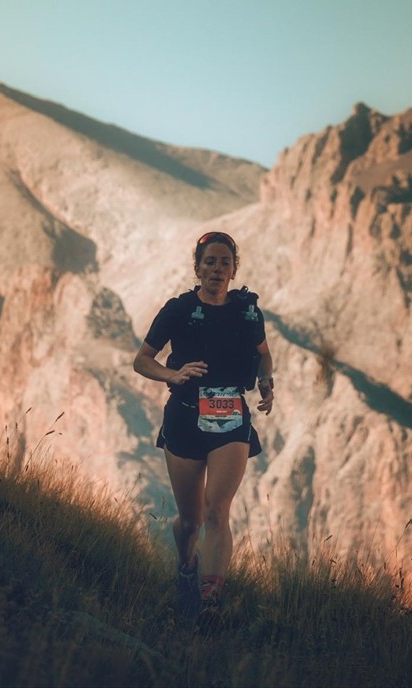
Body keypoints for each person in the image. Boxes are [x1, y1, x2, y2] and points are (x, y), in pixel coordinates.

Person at [133, 230, 275, 623]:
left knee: (218, 510)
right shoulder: (177, 310)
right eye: (209, 262)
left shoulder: (248, 312)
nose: (216, 268)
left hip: (231, 419)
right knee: (191, 519)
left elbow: (264, 356)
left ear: (234, 269)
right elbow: (142, 360)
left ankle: (209, 600)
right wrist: (172, 374)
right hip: (184, 417)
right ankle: (185, 567)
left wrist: (267, 383)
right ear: (198, 268)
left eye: (224, 262)